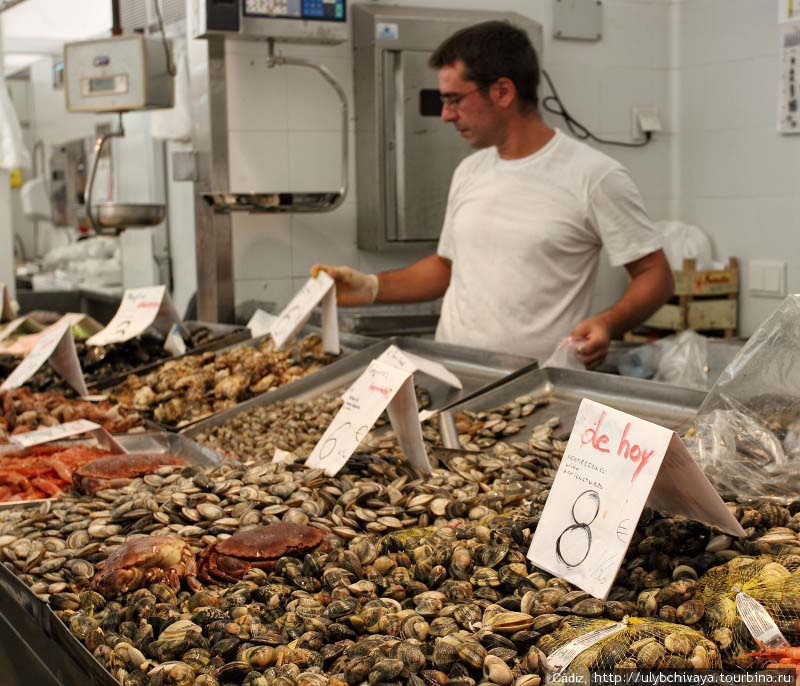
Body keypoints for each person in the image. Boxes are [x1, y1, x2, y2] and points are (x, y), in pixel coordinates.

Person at [313, 20, 673, 367]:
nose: (446, 115)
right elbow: (446, 268)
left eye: (455, 100)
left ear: (502, 92)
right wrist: (371, 287)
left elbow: (655, 274)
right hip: (455, 376)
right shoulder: (470, 170)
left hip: (537, 387)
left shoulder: (594, 175)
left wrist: (609, 322)